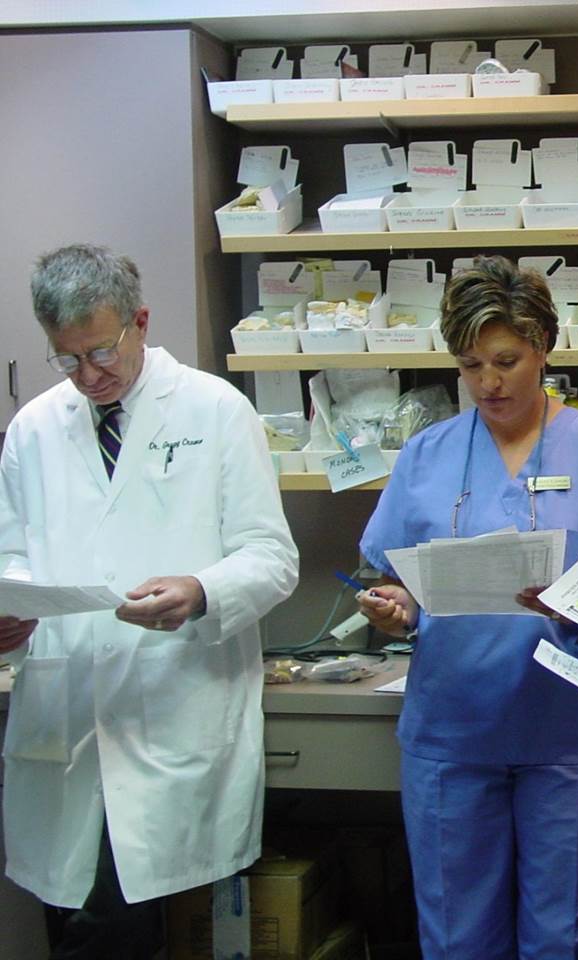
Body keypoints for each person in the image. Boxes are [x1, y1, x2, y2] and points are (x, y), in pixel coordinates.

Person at [357, 256, 578, 960]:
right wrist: (395, 609)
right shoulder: (425, 457)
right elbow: (400, 582)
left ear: (544, 348)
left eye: (506, 361)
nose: (488, 384)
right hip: (455, 735)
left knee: (569, 938)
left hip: (573, 735)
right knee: (459, 936)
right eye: (470, 366)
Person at [0, 244, 298, 956]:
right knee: (79, 919)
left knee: (132, 926)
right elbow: (13, 550)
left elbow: (272, 558)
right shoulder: (34, 430)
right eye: (67, 360)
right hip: (64, 713)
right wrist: (12, 611)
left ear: (140, 320)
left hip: (175, 704)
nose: (88, 377)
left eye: (100, 352)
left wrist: (201, 591)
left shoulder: (215, 409)